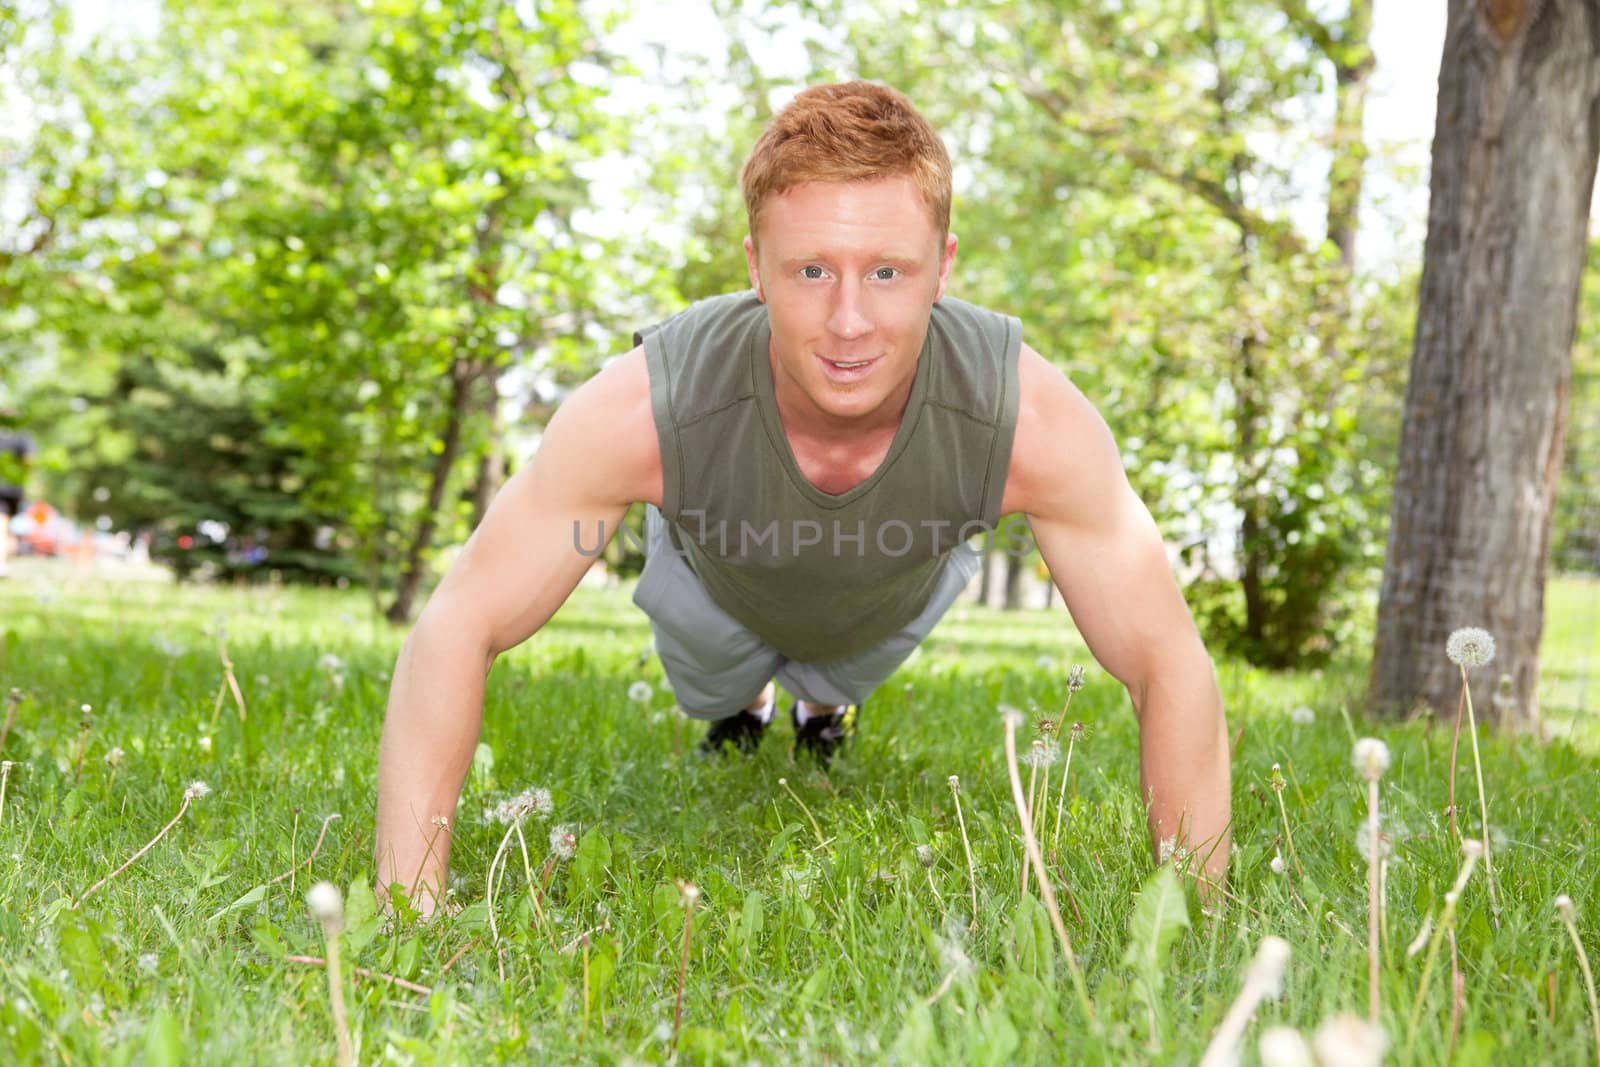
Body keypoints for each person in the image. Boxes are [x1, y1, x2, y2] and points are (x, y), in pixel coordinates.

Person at [375, 82, 1231, 915]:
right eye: (812, 269)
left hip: (882, 596)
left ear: (945, 267)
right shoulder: (647, 406)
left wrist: (1194, 914)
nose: (848, 320)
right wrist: (407, 906)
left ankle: (821, 703)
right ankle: (746, 702)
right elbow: (460, 622)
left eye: (888, 271)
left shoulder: (1027, 418)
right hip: (714, 585)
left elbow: (1168, 659)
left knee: (837, 666)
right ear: (756, 267)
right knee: (715, 684)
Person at [0, 425, 34, 578]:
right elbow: (29, 460)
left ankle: (3, 562)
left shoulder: (22, 435)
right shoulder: (22, 434)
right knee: (3, 524)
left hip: (10, 490)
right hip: (11, 489)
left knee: (5, 526)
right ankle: (2, 563)